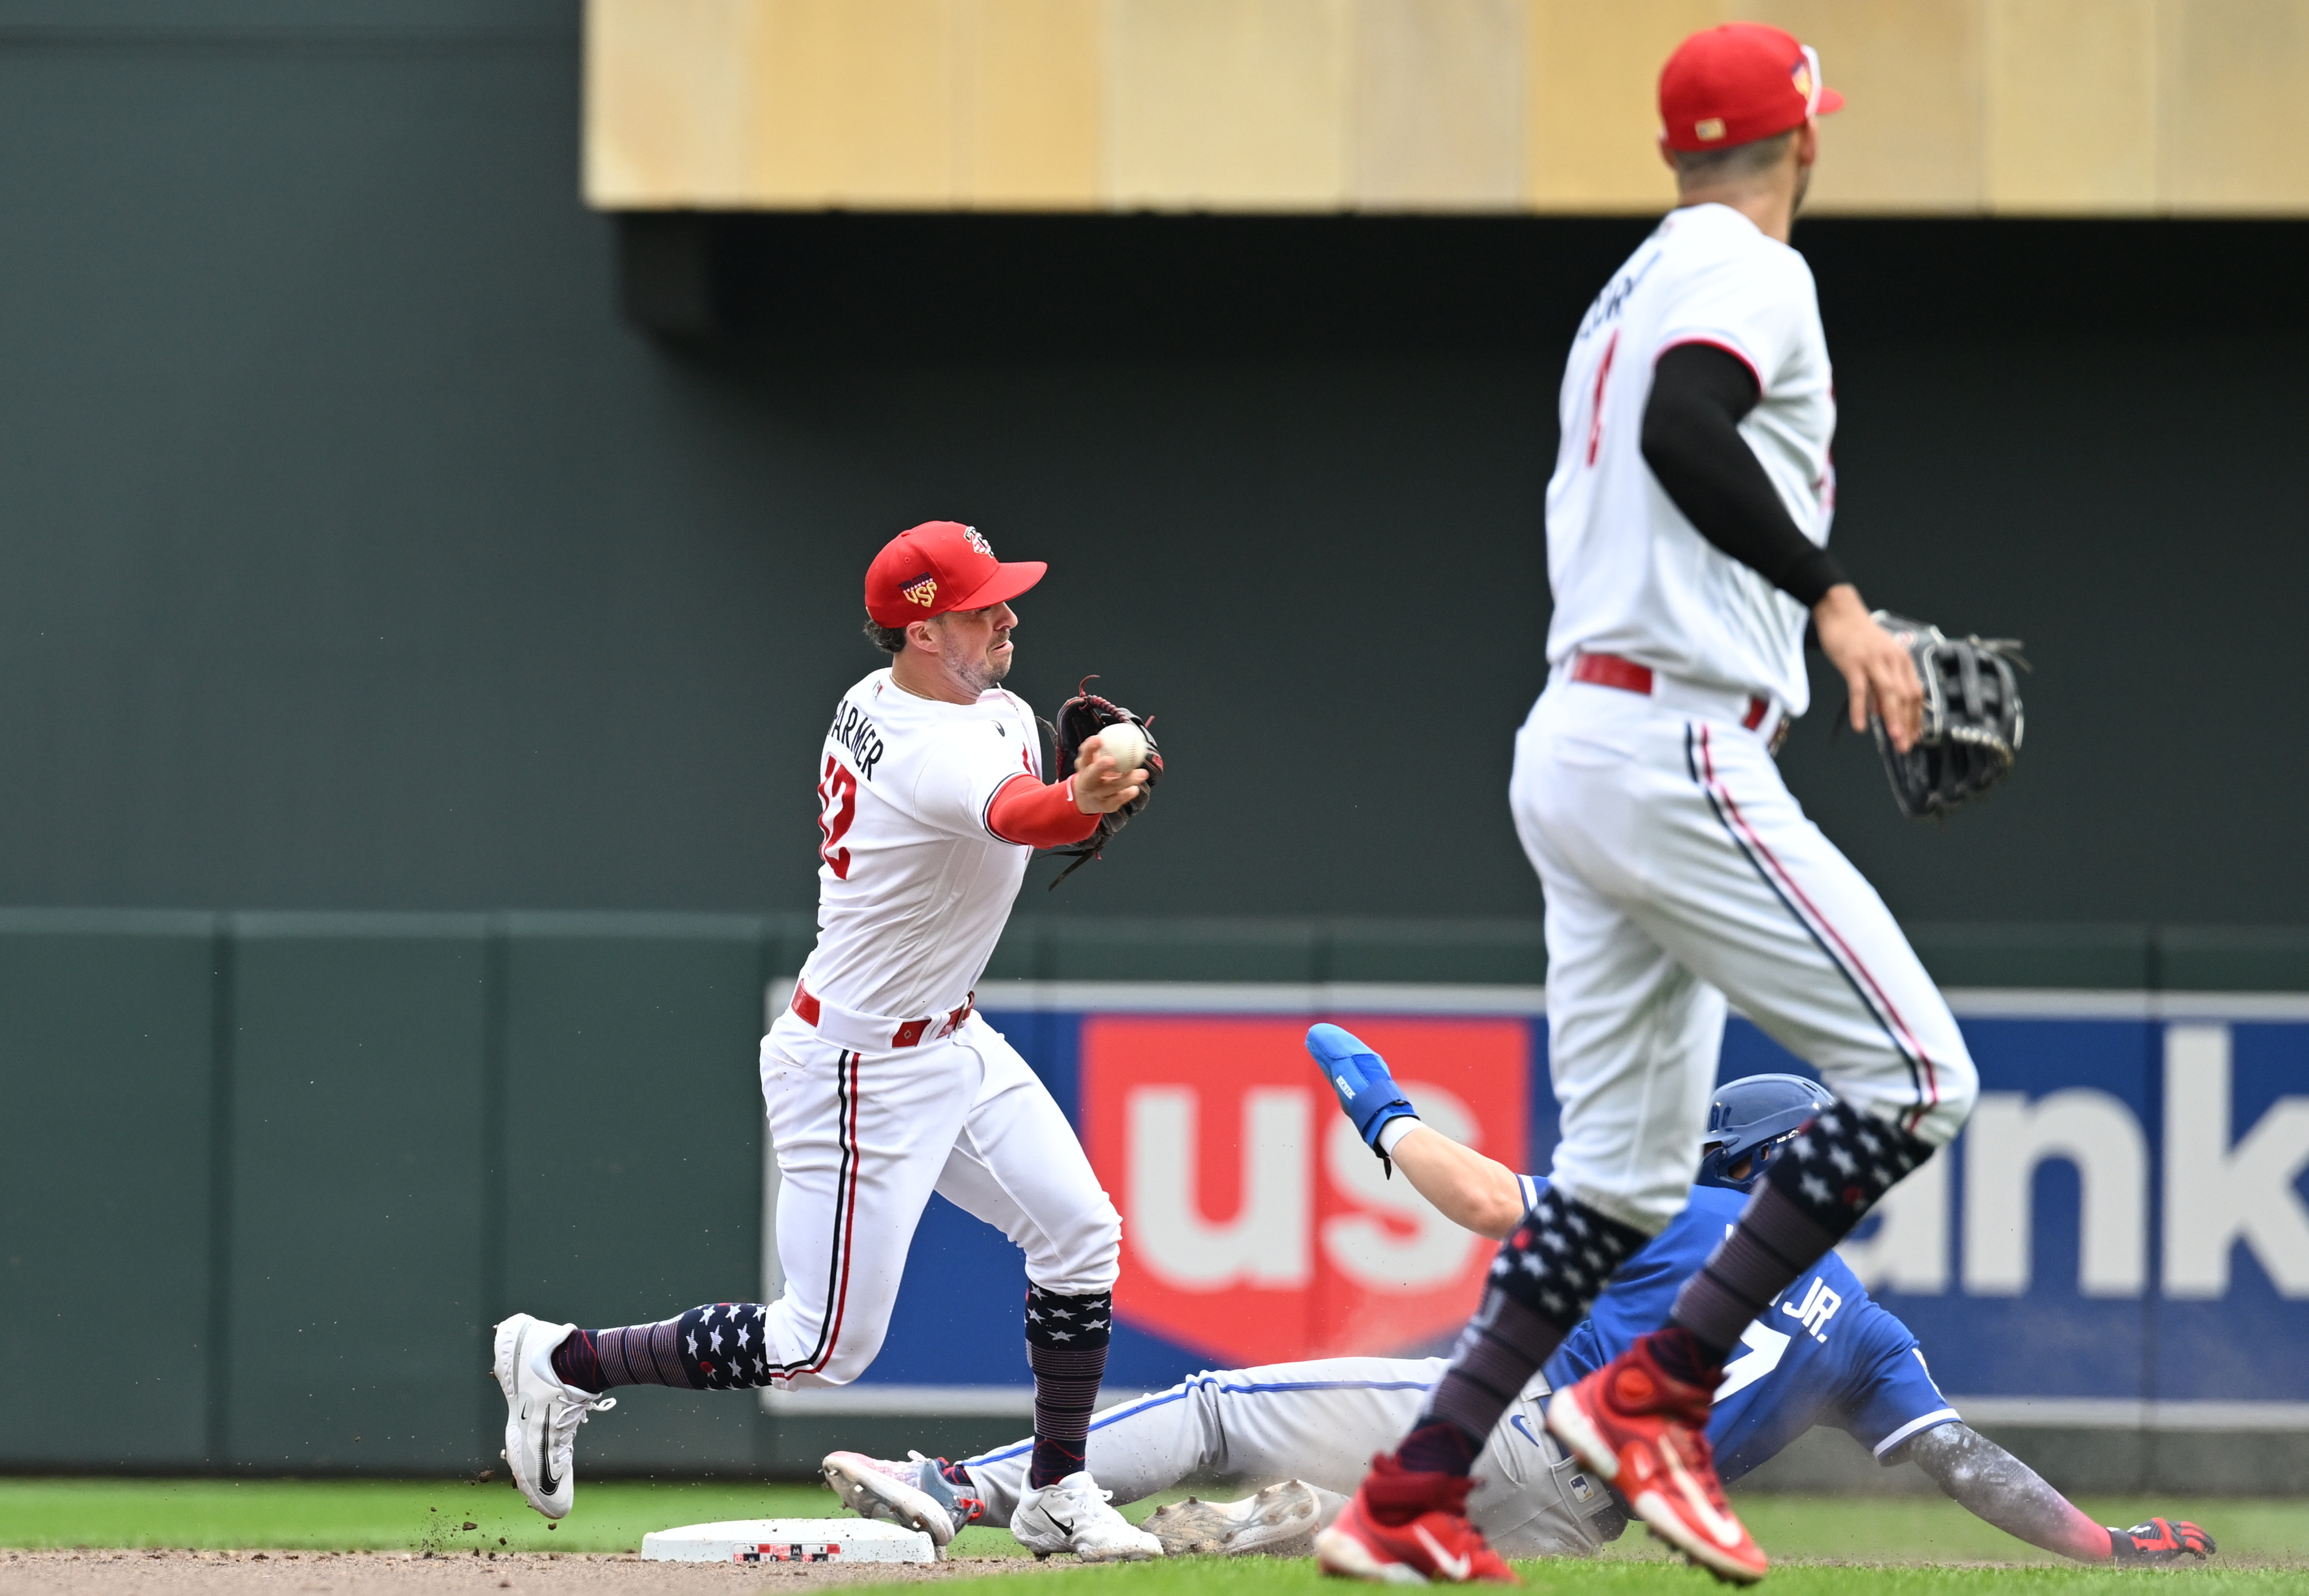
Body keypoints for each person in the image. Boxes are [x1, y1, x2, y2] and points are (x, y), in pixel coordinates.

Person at [1321, 28, 1988, 1583]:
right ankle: (1654, 1398)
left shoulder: (1621, 290)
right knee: (1914, 1083)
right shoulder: (1755, 274)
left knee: (1617, 1185)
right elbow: (1690, 425)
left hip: (1574, 740)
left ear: (1670, 150)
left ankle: (1407, 1497)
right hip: (1675, 737)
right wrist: (1832, 601)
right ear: (1802, 146)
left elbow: (1660, 423)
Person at [821, 1030, 2214, 1571]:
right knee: (1334, 1498)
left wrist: (1376, 1112)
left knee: (1215, 1401)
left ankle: (963, 1489)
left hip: (1525, 1437)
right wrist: (2101, 1549)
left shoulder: (1698, 1212)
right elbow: (1965, 1466)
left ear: (1737, 1162)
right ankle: (1273, 1525)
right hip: (1580, 1524)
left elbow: (1489, 1201)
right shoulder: (1867, 1329)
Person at [489, 520, 1164, 1562]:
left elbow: (1030, 791)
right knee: (820, 1347)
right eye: (983, 603)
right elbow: (1028, 817)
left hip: (951, 1037)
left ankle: (1057, 1491)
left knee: (1081, 1237)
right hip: (859, 1065)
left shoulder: (962, 704)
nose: (1009, 612)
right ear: (924, 629)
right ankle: (564, 1362)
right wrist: (1088, 792)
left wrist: (1086, 780)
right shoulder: (924, 746)